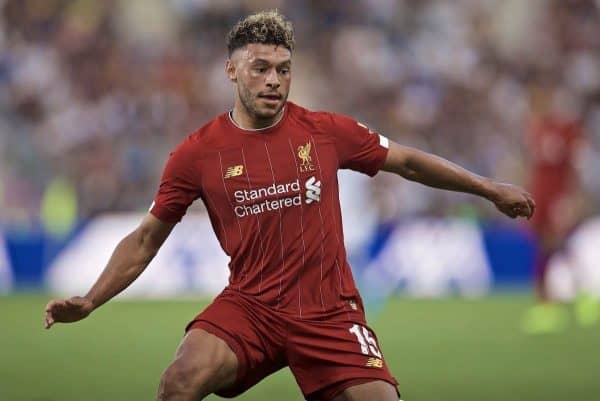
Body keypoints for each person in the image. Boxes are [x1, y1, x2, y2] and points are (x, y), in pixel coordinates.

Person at [44, 10, 535, 401]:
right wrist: (91, 300)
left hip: (329, 313)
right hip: (251, 307)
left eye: (283, 69)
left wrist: (488, 188)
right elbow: (147, 238)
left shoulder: (325, 131)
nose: (274, 80)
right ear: (232, 69)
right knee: (178, 383)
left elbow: (406, 161)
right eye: (260, 68)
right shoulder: (196, 153)